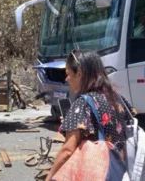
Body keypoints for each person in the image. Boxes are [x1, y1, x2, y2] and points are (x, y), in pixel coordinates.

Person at [46, 49, 137, 181]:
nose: (67, 79)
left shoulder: (82, 103)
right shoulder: (118, 98)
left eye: (68, 74)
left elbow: (68, 150)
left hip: (98, 173)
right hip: (121, 172)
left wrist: (49, 177)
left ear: (80, 74)